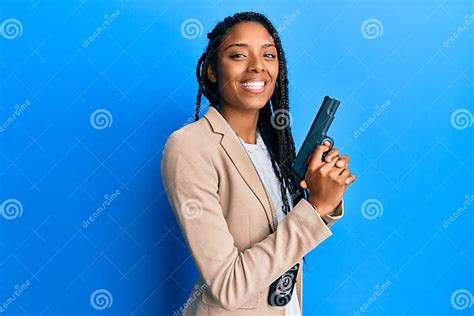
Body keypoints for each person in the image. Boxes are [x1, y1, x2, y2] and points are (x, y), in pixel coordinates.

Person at [161, 11, 356, 315]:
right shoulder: (190, 146)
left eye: (268, 54)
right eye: (238, 55)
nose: (257, 66)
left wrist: (325, 198)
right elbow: (228, 284)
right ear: (212, 70)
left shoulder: (273, 149)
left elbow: (287, 239)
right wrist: (314, 208)